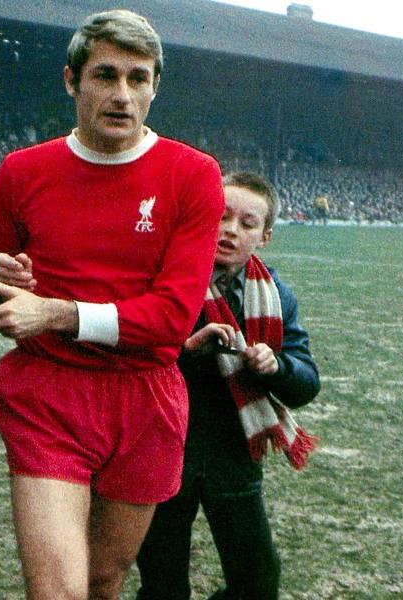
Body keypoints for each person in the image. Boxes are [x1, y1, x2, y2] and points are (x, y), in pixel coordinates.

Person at [0, 10, 225, 599]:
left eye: (139, 78)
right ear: (71, 81)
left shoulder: (193, 175)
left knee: (104, 579)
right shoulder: (23, 170)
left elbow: (173, 317)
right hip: (48, 391)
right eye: (105, 75)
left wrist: (55, 311)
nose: (122, 95)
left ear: (156, 86)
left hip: (147, 397)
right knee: (58, 589)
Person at [134, 172, 320, 600]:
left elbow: (306, 383)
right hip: (162, 453)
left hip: (234, 459)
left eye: (247, 223)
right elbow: (127, 358)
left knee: (258, 583)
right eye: (221, 216)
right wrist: (184, 351)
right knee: (162, 587)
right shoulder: (165, 278)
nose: (230, 230)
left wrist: (274, 367)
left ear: (265, 236)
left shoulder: (274, 296)